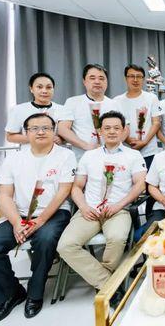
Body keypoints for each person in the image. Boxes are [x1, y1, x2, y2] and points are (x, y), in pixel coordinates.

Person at [0, 113, 75, 324]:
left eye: (46, 128)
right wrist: (16, 223)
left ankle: (35, 294)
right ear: (26, 132)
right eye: (34, 128)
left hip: (55, 213)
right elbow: (5, 196)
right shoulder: (13, 159)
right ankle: (11, 293)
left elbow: (63, 192)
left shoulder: (65, 156)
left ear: (54, 131)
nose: (40, 132)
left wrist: (40, 221)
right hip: (19, 215)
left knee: (45, 240)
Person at [57, 111, 146, 307]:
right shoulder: (89, 156)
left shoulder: (133, 155)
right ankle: (107, 283)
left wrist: (119, 205)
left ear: (124, 131)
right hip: (89, 210)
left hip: (118, 210)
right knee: (65, 246)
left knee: (117, 238)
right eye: (107, 128)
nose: (112, 132)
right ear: (100, 131)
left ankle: (101, 281)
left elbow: (140, 184)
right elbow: (77, 187)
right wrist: (83, 207)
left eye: (116, 128)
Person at [58, 64, 123, 160]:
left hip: (111, 158)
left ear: (107, 82)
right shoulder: (73, 102)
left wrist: (112, 146)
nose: (97, 81)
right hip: (82, 158)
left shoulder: (115, 103)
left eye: (101, 78)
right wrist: (86, 146)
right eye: (92, 78)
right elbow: (62, 129)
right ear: (84, 81)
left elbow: (125, 129)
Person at [114, 64, 162, 169]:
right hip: (125, 150)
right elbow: (116, 125)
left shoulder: (152, 98)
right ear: (126, 78)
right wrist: (129, 141)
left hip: (149, 151)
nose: (135, 80)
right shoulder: (117, 101)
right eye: (131, 76)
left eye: (139, 76)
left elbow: (156, 123)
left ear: (143, 79)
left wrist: (144, 142)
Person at [5, 72, 63, 145]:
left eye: (49, 87)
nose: (44, 91)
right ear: (31, 89)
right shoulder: (19, 109)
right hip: (29, 151)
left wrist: (61, 139)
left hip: (56, 151)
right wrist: (37, 138)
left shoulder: (63, 109)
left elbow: (69, 133)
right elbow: (10, 137)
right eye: (39, 87)